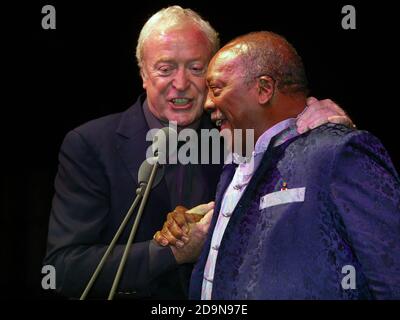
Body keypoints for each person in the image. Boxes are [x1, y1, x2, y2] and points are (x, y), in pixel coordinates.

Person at [44, 6, 353, 299]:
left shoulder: (243, 134)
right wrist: (172, 251)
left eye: (196, 68)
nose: (181, 84)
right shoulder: (90, 144)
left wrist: (317, 121)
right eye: (165, 69)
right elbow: (65, 268)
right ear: (143, 74)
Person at [155, 31, 400, 299]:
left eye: (216, 88)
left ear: (264, 89)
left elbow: (391, 273)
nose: (208, 103)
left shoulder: (339, 151)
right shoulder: (235, 166)